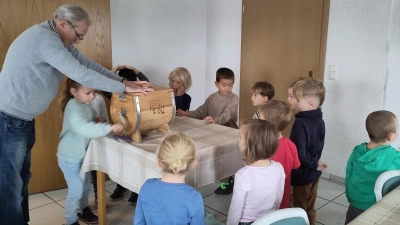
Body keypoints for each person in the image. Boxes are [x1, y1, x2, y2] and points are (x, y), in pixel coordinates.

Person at [0, 4, 151, 224]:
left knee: (21, 181)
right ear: (63, 23)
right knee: (9, 187)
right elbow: (80, 73)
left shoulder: (59, 38)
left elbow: (87, 64)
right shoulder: (46, 39)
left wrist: (121, 81)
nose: (78, 41)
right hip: (8, 120)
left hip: (21, 121)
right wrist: (122, 89)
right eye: (78, 35)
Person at [58, 78, 123, 225]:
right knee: (76, 191)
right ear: (73, 91)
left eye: (93, 92)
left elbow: (90, 119)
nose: (92, 96)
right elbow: (83, 128)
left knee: (85, 187)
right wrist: (109, 128)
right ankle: (70, 221)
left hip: (82, 157)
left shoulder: (84, 104)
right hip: (69, 158)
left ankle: (82, 210)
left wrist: (97, 119)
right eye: (88, 92)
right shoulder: (72, 107)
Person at [134, 132, 205, 225]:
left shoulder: (147, 186)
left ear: (159, 162)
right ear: (193, 163)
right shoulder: (194, 198)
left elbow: (139, 222)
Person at [345, 110, 400, 224]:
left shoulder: (357, 151)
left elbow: (349, 174)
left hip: (355, 203)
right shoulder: (394, 157)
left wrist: (350, 196)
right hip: (379, 207)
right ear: (390, 136)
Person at [227, 119, 284, 225]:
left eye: (240, 136)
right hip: (269, 219)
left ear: (250, 145)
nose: (238, 139)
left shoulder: (243, 175)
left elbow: (236, 208)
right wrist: (275, 214)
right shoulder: (279, 167)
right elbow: (279, 195)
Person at [106, 65, 150, 204]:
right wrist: (116, 73)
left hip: (138, 132)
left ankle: (136, 191)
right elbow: (104, 84)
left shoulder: (139, 94)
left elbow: (146, 83)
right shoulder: (114, 94)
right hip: (122, 133)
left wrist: (117, 71)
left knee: (137, 162)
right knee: (123, 163)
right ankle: (121, 186)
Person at [289, 77, 327, 225]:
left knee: (300, 208)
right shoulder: (320, 120)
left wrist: (313, 164)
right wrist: (316, 164)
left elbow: (300, 154)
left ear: (311, 104)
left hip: (302, 174)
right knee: (310, 206)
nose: (292, 102)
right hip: (314, 172)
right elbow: (318, 146)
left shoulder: (300, 124)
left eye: (297, 100)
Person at [259, 100, 301, 209]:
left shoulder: (260, 146)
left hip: (263, 199)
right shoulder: (291, 145)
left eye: (260, 120)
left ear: (269, 125)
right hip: (283, 197)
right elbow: (295, 166)